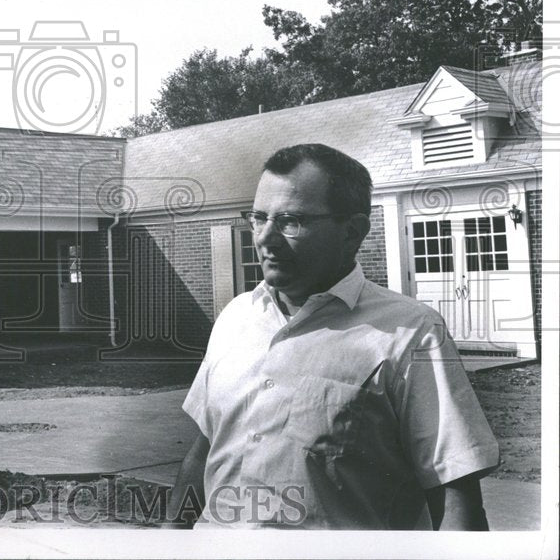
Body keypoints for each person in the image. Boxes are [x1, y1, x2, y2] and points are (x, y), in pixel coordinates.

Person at [167, 143, 499, 530]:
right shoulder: (235, 318)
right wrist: (171, 534)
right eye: (259, 218)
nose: (265, 238)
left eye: (291, 221)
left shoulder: (412, 333)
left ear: (353, 231)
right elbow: (204, 449)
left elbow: (455, 494)